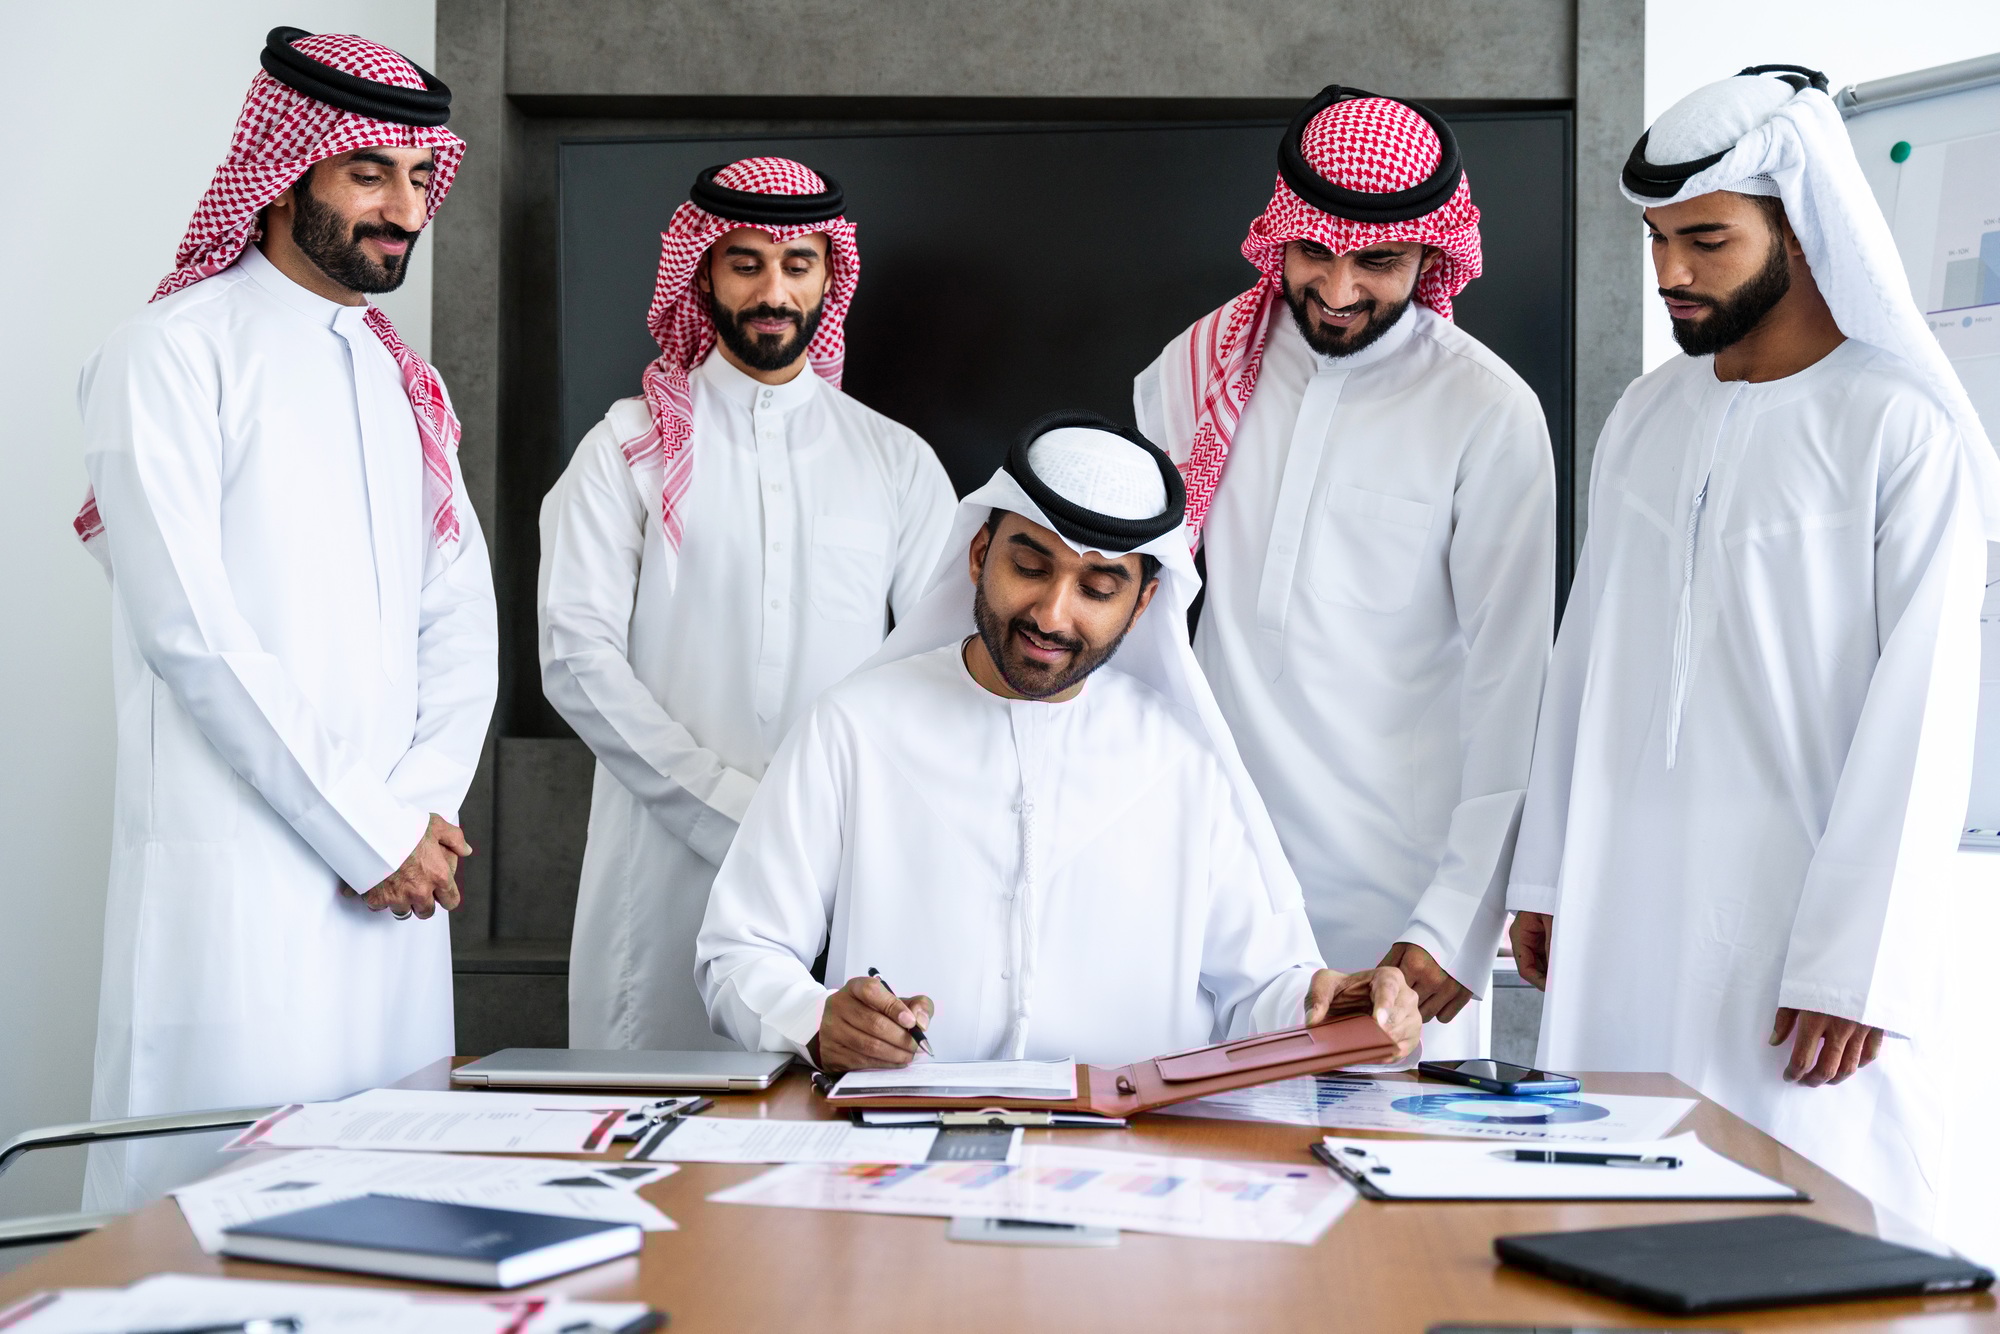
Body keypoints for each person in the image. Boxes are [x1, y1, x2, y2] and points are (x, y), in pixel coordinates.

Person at [1507, 65, 2000, 1227]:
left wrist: (1854, 962)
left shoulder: (1900, 426)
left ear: (1798, 224)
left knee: (1812, 1238)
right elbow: (1585, 658)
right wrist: (1546, 873)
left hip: (1794, 950)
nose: (1669, 273)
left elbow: (1923, 714)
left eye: (1706, 240)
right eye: (1655, 239)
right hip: (1621, 909)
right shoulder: (1644, 415)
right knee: (1610, 1226)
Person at [76, 27, 497, 1208]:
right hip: (241, 891)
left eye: (419, 177)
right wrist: (372, 834)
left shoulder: (403, 375)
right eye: (369, 173)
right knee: (205, 1228)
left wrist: (419, 812)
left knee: (393, 1216)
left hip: (402, 881)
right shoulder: (168, 353)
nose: (403, 210)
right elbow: (192, 633)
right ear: (282, 172)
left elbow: (461, 617)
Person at [695, 413, 1421, 1071]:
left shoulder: (1182, 762)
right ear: (980, 553)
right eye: (1031, 566)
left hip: (1135, 1155)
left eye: (1097, 588)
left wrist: (1338, 1007)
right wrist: (815, 1019)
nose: (1051, 614)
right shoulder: (853, 728)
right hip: (902, 1146)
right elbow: (738, 953)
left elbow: (1263, 991)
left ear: (1142, 603)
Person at [1133, 87, 1555, 1057]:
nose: (1335, 286)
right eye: (1313, 251)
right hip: (1207, 877)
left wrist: (1452, 918)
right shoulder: (1198, 367)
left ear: (1431, 256)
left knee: (1384, 1148)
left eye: (1377, 260)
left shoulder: (1485, 410)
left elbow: (1512, 682)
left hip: (1394, 906)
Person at [539, 158, 954, 1051]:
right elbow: (577, 659)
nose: (773, 291)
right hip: (659, 867)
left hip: (842, 860)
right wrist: (726, 805)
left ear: (829, 278)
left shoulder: (896, 460)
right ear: (702, 274)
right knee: (655, 1113)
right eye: (746, 263)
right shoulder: (625, 447)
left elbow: (940, 664)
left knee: (833, 1110)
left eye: (798, 265)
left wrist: (838, 826)